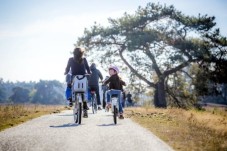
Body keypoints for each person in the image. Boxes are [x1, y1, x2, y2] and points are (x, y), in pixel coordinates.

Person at [64, 47, 91, 118]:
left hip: (74, 77)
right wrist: (89, 73)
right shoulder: (84, 59)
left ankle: (70, 99)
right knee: (85, 90)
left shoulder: (70, 59)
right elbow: (88, 68)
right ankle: (85, 107)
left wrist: (66, 72)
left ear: (74, 53)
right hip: (83, 77)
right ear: (82, 53)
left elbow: (67, 68)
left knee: (69, 86)